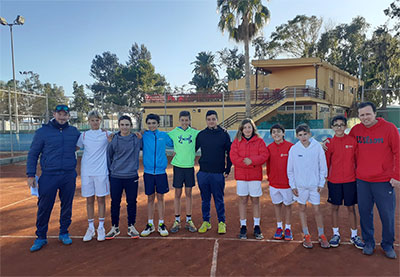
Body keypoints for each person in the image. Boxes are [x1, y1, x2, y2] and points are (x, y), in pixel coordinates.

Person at [27, 104, 81, 252]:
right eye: (60, 114)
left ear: (68, 116)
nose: (62, 117)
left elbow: (87, 139)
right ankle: (41, 237)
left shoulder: (74, 132)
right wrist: (31, 174)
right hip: (49, 175)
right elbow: (33, 154)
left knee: (67, 205)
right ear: (54, 114)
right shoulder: (43, 132)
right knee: (44, 207)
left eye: (65, 114)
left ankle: (64, 232)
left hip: (68, 175)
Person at [349, 102, 399, 259]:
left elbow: (398, 152)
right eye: (362, 115)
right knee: (365, 213)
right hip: (362, 181)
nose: (365, 117)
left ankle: (387, 244)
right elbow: (344, 144)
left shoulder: (389, 128)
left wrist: (397, 176)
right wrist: (326, 144)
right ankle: (369, 243)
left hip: (384, 181)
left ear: (375, 113)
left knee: (387, 215)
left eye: (368, 114)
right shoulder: (355, 130)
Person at [287, 123, 329, 249]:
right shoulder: (294, 149)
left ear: (309, 134)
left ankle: (321, 235)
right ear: (297, 136)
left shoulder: (317, 147)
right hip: (300, 186)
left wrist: (321, 182)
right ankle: (306, 235)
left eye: (305, 134)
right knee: (302, 209)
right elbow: (290, 170)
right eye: (300, 135)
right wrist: (293, 185)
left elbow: (323, 167)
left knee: (316, 210)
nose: (303, 137)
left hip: (314, 186)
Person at [325, 115, 364, 249]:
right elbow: (326, 162)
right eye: (336, 125)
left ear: (346, 127)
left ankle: (354, 235)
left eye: (342, 125)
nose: (339, 127)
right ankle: (336, 234)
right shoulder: (329, 143)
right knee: (334, 208)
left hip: (350, 181)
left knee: (351, 208)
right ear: (332, 127)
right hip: (334, 181)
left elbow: (358, 160)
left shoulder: (353, 141)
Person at [230, 119, 268, 239]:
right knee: (242, 200)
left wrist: (252, 161)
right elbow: (233, 157)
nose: (247, 130)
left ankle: (257, 226)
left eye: (249, 127)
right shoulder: (236, 142)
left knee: (255, 201)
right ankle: (243, 226)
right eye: (245, 127)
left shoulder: (259, 141)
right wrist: (245, 162)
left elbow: (264, 155)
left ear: (253, 129)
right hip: (241, 176)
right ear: (241, 129)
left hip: (254, 176)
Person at [76, 110, 111, 242]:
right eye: (92, 120)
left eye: (97, 120)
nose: (95, 122)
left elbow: (122, 137)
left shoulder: (108, 134)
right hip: (87, 172)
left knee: (101, 200)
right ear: (89, 121)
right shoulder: (83, 136)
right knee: (89, 200)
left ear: (100, 121)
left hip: (101, 172)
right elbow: (73, 148)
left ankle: (101, 227)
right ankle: (91, 227)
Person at [196, 110, 232, 234]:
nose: (211, 121)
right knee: (205, 199)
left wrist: (228, 169)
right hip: (203, 173)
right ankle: (206, 221)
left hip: (218, 173)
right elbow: (191, 149)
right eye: (209, 119)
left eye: (213, 119)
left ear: (217, 120)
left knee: (219, 199)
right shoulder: (201, 135)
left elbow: (230, 152)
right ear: (206, 121)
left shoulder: (224, 134)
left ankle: (221, 222)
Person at [105, 115, 142, 239]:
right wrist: (112, 171)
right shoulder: (114, 139)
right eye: (122, 125)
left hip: (131, 176)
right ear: (119, 126)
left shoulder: (136, 139)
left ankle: (131, 226)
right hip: (116, 176)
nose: (124, 127)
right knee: (115, 202)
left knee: (131, 202)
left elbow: (148, 134)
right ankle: (114, 227)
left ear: (131, 126)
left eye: (127, 125)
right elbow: (109, 155)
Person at [140, 114, 173, 237]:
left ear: (158, 124)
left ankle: (161, 223)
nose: (151, 125)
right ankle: (150, 224)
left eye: (154, 123)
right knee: (149, 198)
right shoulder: (144, 135)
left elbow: (175, 143)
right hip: (148, 172)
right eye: (149, 123)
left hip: (161, 173)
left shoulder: (163, 136)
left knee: (160, 198)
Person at [167, 111, 199, 233]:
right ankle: (177, 220)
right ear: (179, 121)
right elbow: (162, 139)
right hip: (178, 167)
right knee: (177, 194)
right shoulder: (174, 132)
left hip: (189, 167)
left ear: (190, 121)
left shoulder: (194, 132)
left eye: (187, 120)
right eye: (182, 120)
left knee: (189, 193)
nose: (184, 123)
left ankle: (189, 219)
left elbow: (206, 135)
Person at [266, 124, 295, 241]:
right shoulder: (269, 148)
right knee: (277, 205)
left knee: (288, 206)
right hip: (273, 183)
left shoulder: (291, 147)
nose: (276, 134)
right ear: (271, 135)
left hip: (287, 184)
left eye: (278, 131)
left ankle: (288, 228)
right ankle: (279, 227)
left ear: (283, 133)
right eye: (273, 132)